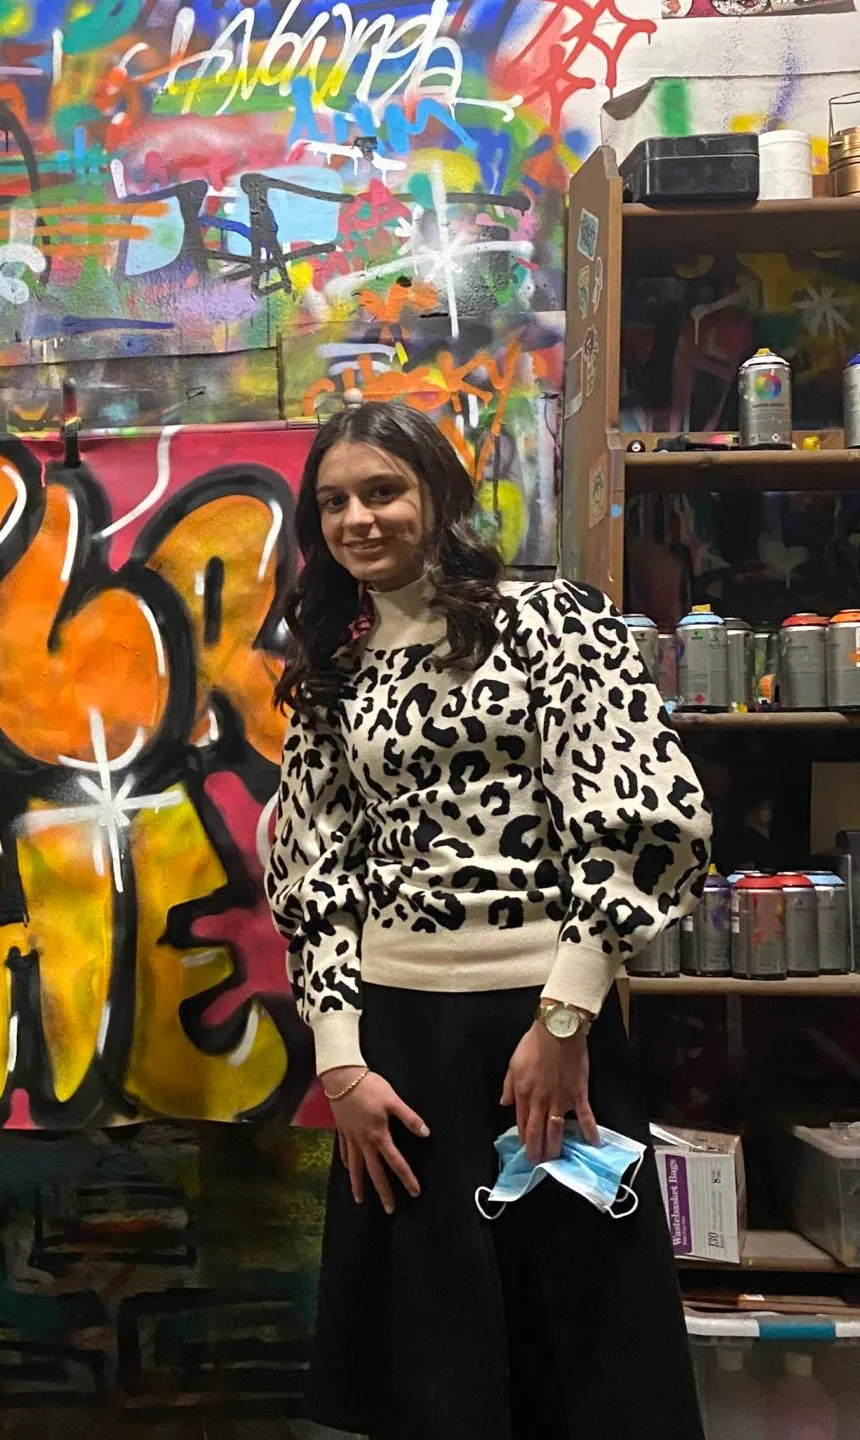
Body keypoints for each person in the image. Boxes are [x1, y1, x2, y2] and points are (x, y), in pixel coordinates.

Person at [264, 401, 710, 1440]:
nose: (358, 519)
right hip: (398, 1047)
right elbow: (314, 871)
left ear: (439, 494)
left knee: (589, 1355)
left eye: (383, 491)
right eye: (334, 501)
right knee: (431, 1371)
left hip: (539, 1024)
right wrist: (340, 1065)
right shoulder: (340, 661)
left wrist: (566, 1024)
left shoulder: (553, 622)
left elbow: (654, 821)